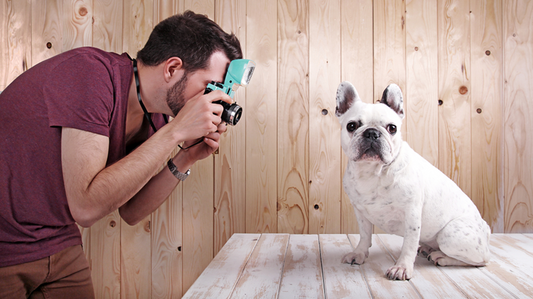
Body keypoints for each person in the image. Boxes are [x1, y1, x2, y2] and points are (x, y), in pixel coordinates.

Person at [0, 10, 242, 298]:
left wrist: (187, 156)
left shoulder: (157, 117)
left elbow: (131, 211)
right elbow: (86, 208)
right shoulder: (90, 74)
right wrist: (176, 131)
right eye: (211, 87)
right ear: (172, 68)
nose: (216, 100)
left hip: (55, 237)